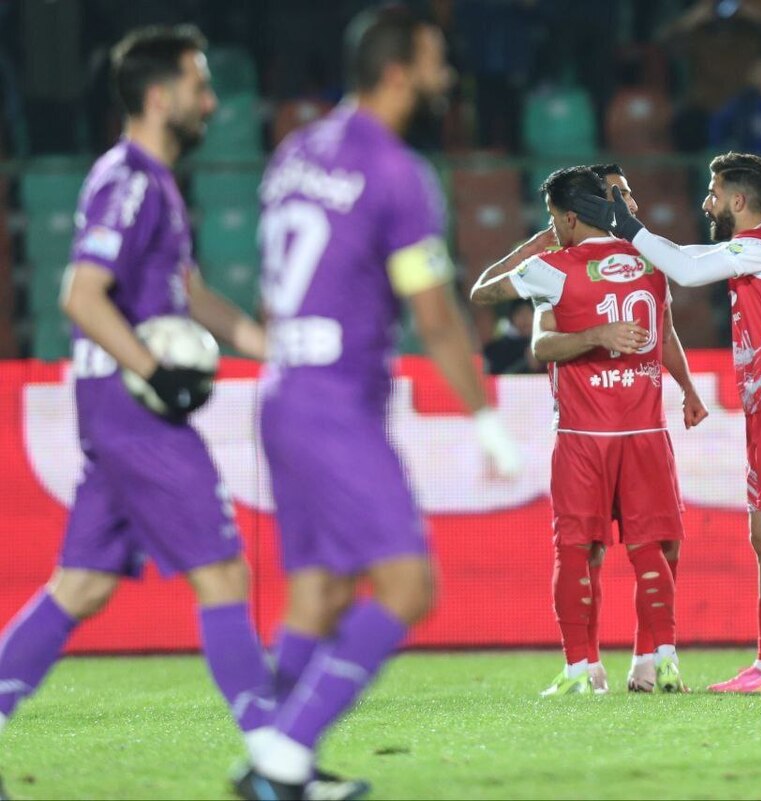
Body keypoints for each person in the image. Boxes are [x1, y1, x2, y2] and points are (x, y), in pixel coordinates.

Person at [238, 8, 521, 799]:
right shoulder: (396, 172)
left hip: (282, 392)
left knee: (321, 591)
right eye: (435, 63)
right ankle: (283, 755)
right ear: (398, 73)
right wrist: (486, 418)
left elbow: (270, 294)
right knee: (407, 586)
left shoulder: (295, 151)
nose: (446, 77)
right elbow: (435, 315)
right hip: (335, 401)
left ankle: (276, 762)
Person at [0, 23, 282, 796]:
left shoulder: (154, 183)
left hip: (117, 407)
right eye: (199, 85)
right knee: (222, 571)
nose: (211, 102)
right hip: (133, 409)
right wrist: (156, 371)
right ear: (160, 97)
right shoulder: (128, 179)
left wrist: (269, 346)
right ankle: (276, 762)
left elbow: (189, 295)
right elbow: (81, 296)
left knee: (82, 586)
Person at [575, 152, 761, 694]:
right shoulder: (747, 250)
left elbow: (687, 271)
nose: (706, 203)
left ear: (738, 199)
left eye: (713, 193)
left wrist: (627, 226)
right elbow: (687, 259)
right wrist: (634, 237)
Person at [470, 166, 694, 696]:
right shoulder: (651, 259)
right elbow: (665, 334)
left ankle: (580, 672)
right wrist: (688, 388)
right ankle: (663, 662)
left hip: (583, 436)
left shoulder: (551, 268)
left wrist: (539, 245)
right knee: (651, 548)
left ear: (568, 218)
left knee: (575, 550)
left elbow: (484, 294)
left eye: (554, 218)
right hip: (645, 431)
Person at [588, 163, 708, 692]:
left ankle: (646, 659)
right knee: (589, 550)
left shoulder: (650, 260)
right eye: (618, 194)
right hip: (591, 432)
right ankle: (584, 666)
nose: (631, 204)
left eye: (631, 194)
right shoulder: (568, 262)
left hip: (646, 428)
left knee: (665, 544)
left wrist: (689, 388)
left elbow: (665, 333)